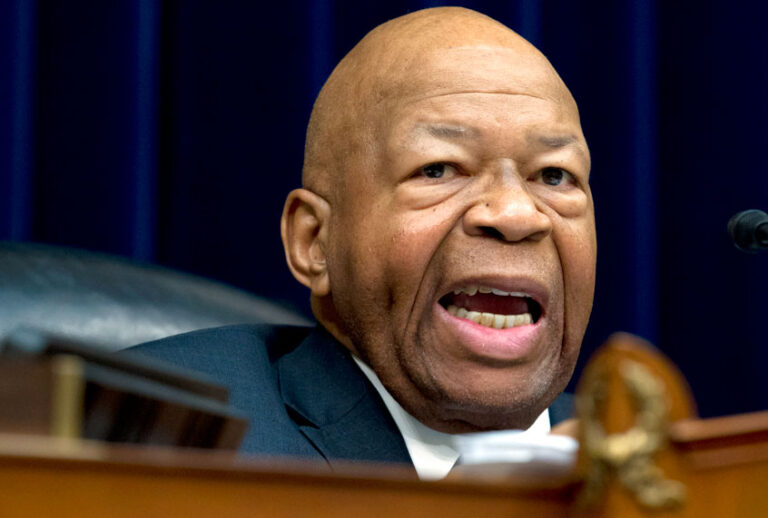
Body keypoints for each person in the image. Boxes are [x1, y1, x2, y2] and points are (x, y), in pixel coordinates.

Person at [130, 6, 596, 479]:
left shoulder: (653, 468)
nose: (517, 214)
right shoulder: (159, 437)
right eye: (437, 169)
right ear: (314, 241)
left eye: (554, 176)